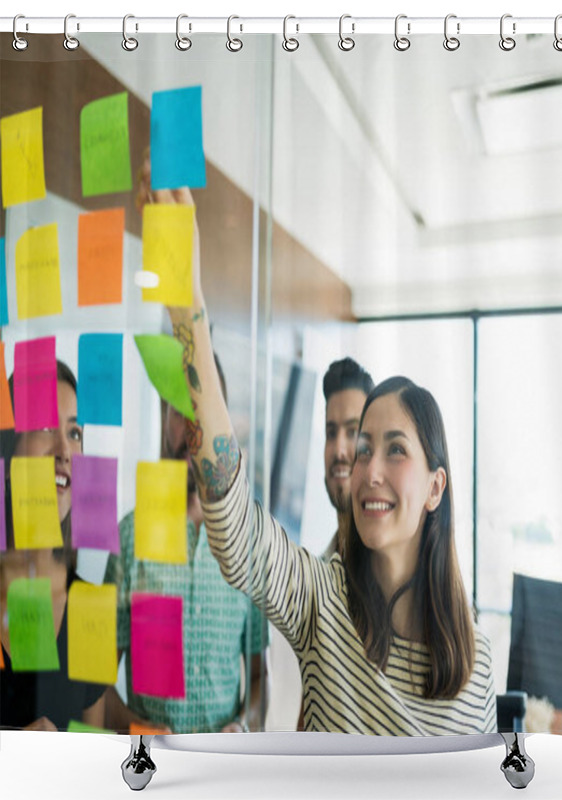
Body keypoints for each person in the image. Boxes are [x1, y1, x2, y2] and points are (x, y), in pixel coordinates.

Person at [142, 167, 496, 735]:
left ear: (436, 486)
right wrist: (187, 304)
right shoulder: (322, 601)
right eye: (361, 448)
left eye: (395, 449)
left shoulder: (475, 663)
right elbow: (234, 526)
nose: (367, 469)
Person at [103, 356, 269, 735]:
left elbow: (261, 677)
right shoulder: (129, 538)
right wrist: (140, 728)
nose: (193, 425)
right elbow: (97, 686)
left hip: (224, 777)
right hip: (151, 777)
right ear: (163, 419)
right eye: (178, 410)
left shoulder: (247, 542)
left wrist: (244, 725)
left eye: (205, 408)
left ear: (223, 424)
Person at [0, 361, 106, 731]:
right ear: (9, 451)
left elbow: (94, 763)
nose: (64, 449)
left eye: (74, 432)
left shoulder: (90, 608)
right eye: (46, 427)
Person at [321, 358, 374, 558]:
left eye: (353, 432)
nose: (339, 451)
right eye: (331, 433)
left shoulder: (393, 579)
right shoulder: (315, 576)